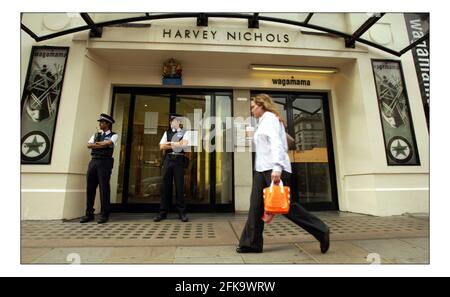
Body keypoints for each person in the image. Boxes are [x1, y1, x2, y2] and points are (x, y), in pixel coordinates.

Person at [236, 94, 330, 254]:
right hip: (261, 169)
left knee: (286, 207)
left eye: (253, 107)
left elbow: (277, 144)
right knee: (255, 207)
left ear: (262, 105)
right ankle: (251, 243)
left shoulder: (270, 119)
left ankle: (321, 230)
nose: (251, 110)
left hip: (274, 168)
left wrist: (278, 168)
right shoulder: (262, 122)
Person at [80, 113, 118, 224]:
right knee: (90, 188)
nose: (100, 124)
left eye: (102, 122)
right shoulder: (95, 134)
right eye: (100, 122)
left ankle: (104, 214)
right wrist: (101, 144)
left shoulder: (114, 135)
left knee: (104, 188)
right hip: (94, 161)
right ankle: (89, 214)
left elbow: (109, 143)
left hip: (105, 162)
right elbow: (89, 145)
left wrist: (97, 144)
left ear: (107, 124)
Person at [154, 114, 190, 222]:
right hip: (168, 160)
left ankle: (182, 213)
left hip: (179, 160)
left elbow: (184, 146)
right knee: (165, 187)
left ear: (179, 122)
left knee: (180, 187)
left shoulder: (185, 133)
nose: (171, 123)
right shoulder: (167, 133)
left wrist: (169, 143)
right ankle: (162, 213)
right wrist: (176, 144)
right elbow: (161, 147)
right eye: (170, 121)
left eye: (173, 121)